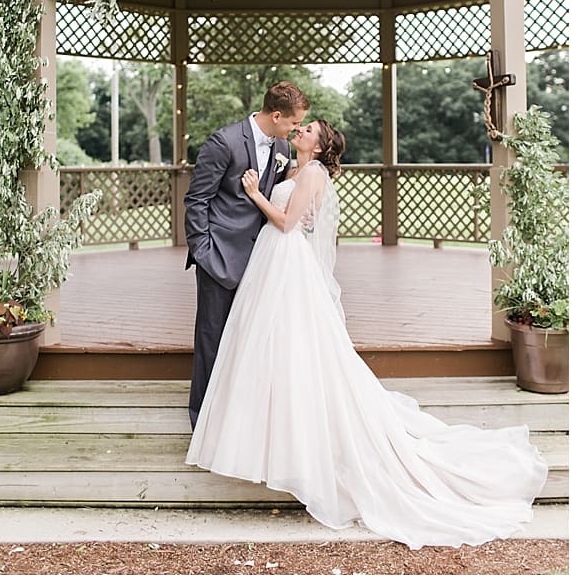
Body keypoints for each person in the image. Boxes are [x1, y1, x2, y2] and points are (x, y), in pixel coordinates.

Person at [187, 120, 548, 548]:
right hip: (269, 261)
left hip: (286, 260)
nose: (299, 131)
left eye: (308, 130)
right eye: (300, 126)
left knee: (295, 343)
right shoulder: (288, 168)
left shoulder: (314, 173)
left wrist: (255, 195)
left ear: (320, 148)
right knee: (265, 343)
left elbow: (287, 223)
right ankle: (265, 428)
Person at [183, 81, 307, 427]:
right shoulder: (223, 142)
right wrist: (204, 251)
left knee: (249, 338)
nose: (296, 130)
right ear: (277, 114)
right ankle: (203, 421)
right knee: (212, 338)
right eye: (294, 122)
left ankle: (238, 420)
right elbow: (196, 201)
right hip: (220, 257)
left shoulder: (282, 144)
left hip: (262, 260)